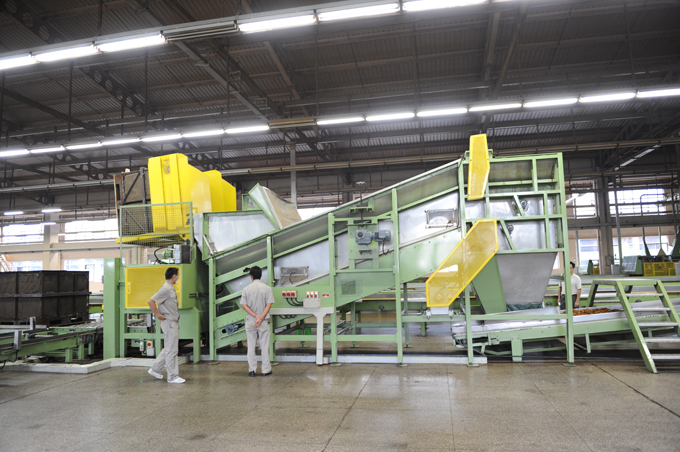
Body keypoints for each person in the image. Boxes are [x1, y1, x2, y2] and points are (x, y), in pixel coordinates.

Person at [147, 267, 185, 384]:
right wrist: (158, 314)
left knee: (168, 348)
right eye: (177, 275)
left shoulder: (170, 288)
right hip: (169, 322)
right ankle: (172, 377)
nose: (178, 277)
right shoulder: (166, 289)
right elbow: (151, 301)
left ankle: (155, 369)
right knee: (172, 350)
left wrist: (176, 322)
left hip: (172, 322)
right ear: (173, 276)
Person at [240, 266, 275, 377]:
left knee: (251, 346)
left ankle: (252, 370)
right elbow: (268, 305)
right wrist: (260, 318)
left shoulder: (246, 289)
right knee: (264, 346)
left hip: (251, 321)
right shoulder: (267, 289)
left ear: (251, 277)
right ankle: (265, 370)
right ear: (261, 275)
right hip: (263, 322)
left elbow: (244, 305)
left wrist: (255, 316)